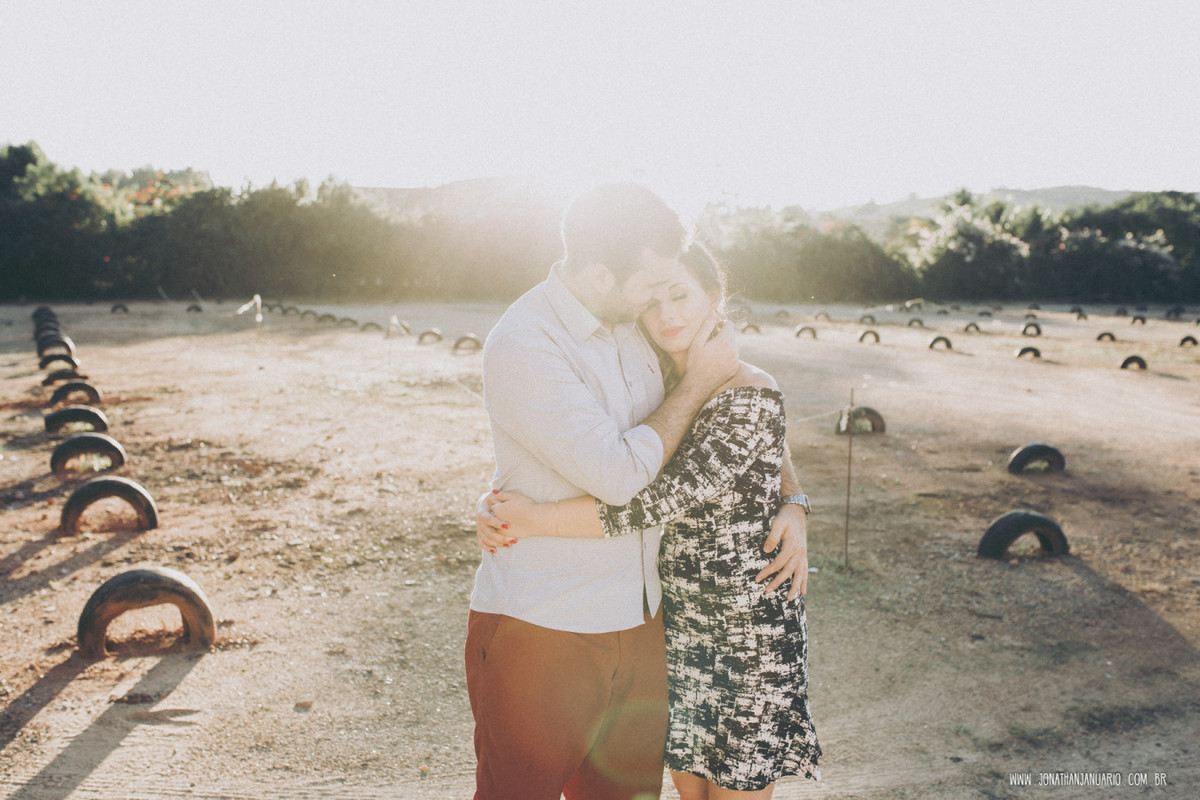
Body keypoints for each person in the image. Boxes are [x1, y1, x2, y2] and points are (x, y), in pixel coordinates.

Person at [468, 183, 810, 800]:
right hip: (548, 623)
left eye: (672, 290)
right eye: (650, 288)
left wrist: (795, 498)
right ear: (603, 275)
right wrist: (511, 506)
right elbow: (624, 475)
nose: (661, 303)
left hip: (653, 621)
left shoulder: (632, 326)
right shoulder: (527, 342)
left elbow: (744, 401)